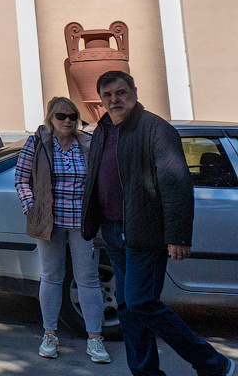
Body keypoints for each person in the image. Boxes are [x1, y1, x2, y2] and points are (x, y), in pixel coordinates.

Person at [82, 71, 234, 376]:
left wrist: (177, 236)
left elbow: (176, 184)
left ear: (134, 92)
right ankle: (145, 371)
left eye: (121, 92)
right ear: (101, 100)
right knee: (126, 306)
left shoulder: (156, 129)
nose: (115, 99)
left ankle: (214, 364)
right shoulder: (101, 131)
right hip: (112, 230)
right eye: (108, 95)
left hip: (144, 231)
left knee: (141, 302)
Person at [14, 96, 109, 363]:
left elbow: (101, 180)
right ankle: (49, 334)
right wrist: (30, 207)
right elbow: (21, 178)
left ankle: (95, 338)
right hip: (50, 221)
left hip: (83, 222)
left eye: (72, 116)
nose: (67, 121)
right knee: (51, 276)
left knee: (87, 278)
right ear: (50, 119)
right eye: (61, 116)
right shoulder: (38, 142)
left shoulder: (87, 143)